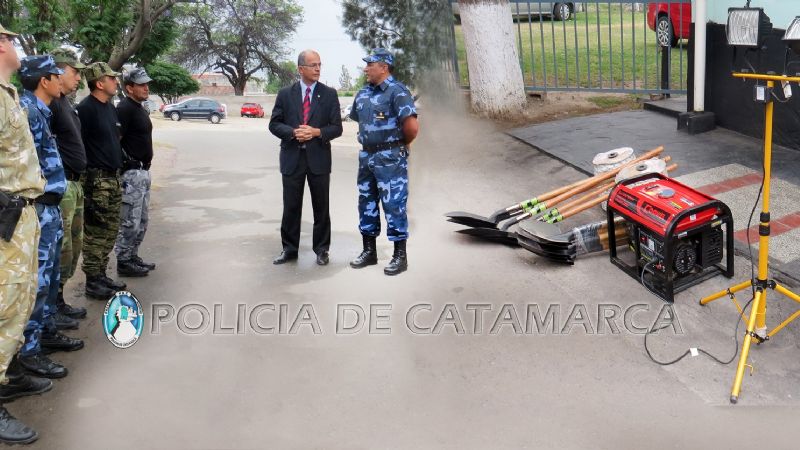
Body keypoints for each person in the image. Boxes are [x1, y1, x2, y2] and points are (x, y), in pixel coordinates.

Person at [17, 55, 85, 381]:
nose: (62, 81)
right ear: (44, 80)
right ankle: (29, 352)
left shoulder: (41, 111)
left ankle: (43, 335)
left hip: (50, 206)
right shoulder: (28, 112)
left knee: (48, 280)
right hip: (38, 206)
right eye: (57, 76)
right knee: (38, 284)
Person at [0, 23, 51, 445]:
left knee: (19, 304)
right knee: (3, 310)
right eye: (9, 40)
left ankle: (8, 377)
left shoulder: (7, 95)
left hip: (22, 216)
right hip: (6, 219)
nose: (15, 46)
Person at [268, 50, 343, 266]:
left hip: (319, 159)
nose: (318, 69)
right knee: (291, 207)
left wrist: (316, 132)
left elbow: (336, 127)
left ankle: (321, 250)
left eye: (320, 64)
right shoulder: (285, 94)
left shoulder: (329, 94)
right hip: (292, 159)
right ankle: (289, 250)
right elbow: (274, 124)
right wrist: (293, 132)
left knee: (321, 207)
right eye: (313, 65)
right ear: (301, 69)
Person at [78, 62, 145, 301]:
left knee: (109, 229)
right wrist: (87, 186)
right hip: (97, 181)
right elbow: (80, 147)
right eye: (111, 78)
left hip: (113, 179)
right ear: (99, 83)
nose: (116, 82)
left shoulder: (109, 107)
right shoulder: (85, 109)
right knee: (96, 231)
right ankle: (92, 280)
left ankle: (101, 273)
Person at [348, 48, 419, 276]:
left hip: (390, 157)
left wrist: (400, 144)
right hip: (367, 156)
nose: (366, 68)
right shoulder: (363, 93)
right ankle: (369, 251)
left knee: (394, 203)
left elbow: (411, 127)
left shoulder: (397, 92)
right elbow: (359, 120)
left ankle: (400, 256)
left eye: (370, 64)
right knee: (366, 202)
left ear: (384, 66)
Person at [49, 48, 88, 322]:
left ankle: (59, 300)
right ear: (59, 71)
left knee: (73, 247)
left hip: (75, 184)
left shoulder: (66, 102)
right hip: (61, 186)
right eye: (75, 72)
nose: (78, 78)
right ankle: (51, 308)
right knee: (60, 249)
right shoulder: (48, 104)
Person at [114, 68, 156, 274]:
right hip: (131, 174)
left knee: (142, 219)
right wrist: (125, 164)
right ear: (129, 88)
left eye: (146, 84)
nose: (146, 87)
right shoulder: (124, 109)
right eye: (141, 84)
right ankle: (123, 261)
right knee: (130, 220)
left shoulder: (139, 108)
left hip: (143, 172)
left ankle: (132, 255)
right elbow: (116, 140)